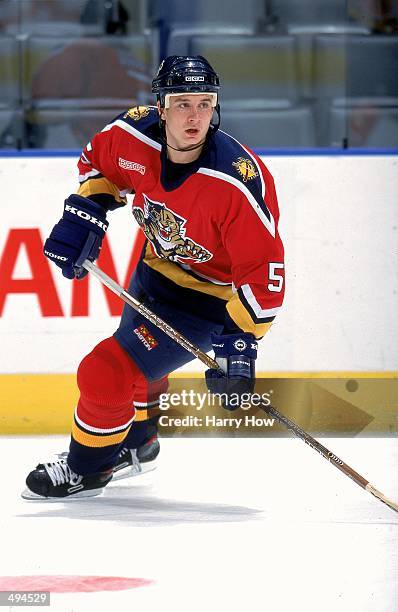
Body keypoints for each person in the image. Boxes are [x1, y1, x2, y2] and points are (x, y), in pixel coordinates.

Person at [22, 55, 285, 500]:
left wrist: (238, 343)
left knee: (104, 373)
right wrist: (87, 213)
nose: (195, 116)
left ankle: (89, 468)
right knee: (135, 371)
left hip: (206, 301)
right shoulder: (131, 133)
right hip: (152, 271)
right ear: (160, 107)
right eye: (183, 103)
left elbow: (265, 275)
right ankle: (139, 444)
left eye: (205, 103)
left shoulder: (238, 181)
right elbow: (97, 166)